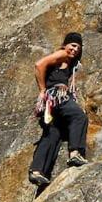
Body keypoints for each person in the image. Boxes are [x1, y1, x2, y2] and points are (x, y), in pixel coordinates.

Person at [28, 32, 89, 187]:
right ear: (65, 45)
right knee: (79, 116)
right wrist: (42, 89)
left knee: (52, 134)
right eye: (72, 46)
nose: (75, 50)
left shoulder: (69, 61)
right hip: (57, 96)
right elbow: (39, 64)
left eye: (78, 48)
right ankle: (75, 152)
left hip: (51, 104)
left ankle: (37, 171)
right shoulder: (62, 54)